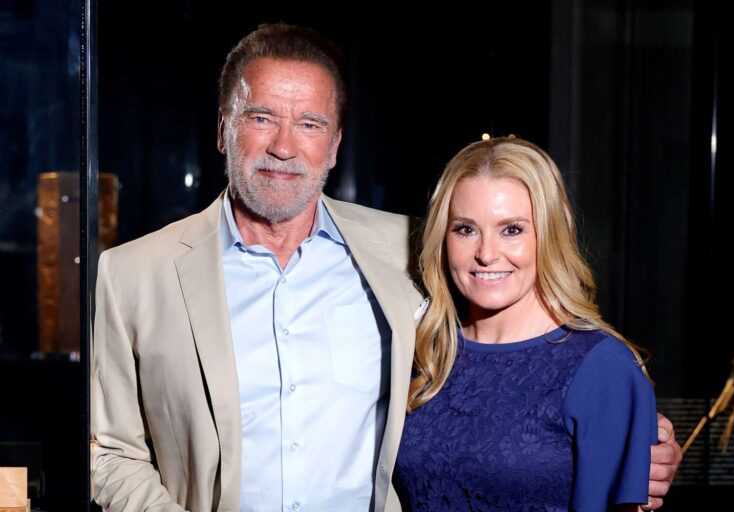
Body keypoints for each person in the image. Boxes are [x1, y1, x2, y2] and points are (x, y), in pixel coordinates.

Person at [90, 24, 681, 512]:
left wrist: (629, 441)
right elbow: (108, 450)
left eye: (310, 124)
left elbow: (530, 357)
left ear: (335, 144)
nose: (284, 146)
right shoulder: (133, 275)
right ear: (224, 128)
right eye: (262, 118)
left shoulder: (407, 250)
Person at [394, 135, 667, 511]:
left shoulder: (602, 367)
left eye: (512, 229)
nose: (486, 254)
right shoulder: (425, 353)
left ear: (550, 234)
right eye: (465, 229)